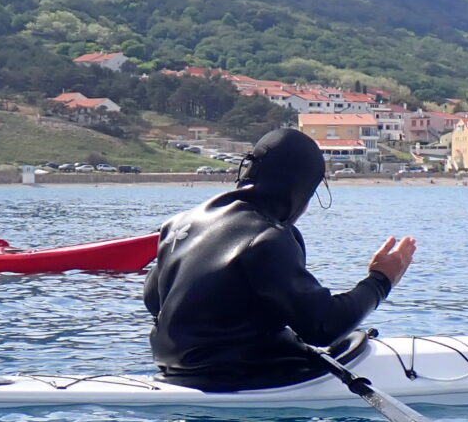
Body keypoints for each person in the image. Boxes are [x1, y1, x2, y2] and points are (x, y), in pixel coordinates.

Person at [143, 127, 417, 391]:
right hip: (232, 379)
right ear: (300, 190)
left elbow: (154, 300)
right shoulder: (268, 237)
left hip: (170, 369)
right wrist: (381, 280)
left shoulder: (178, 225)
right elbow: (323, 327)